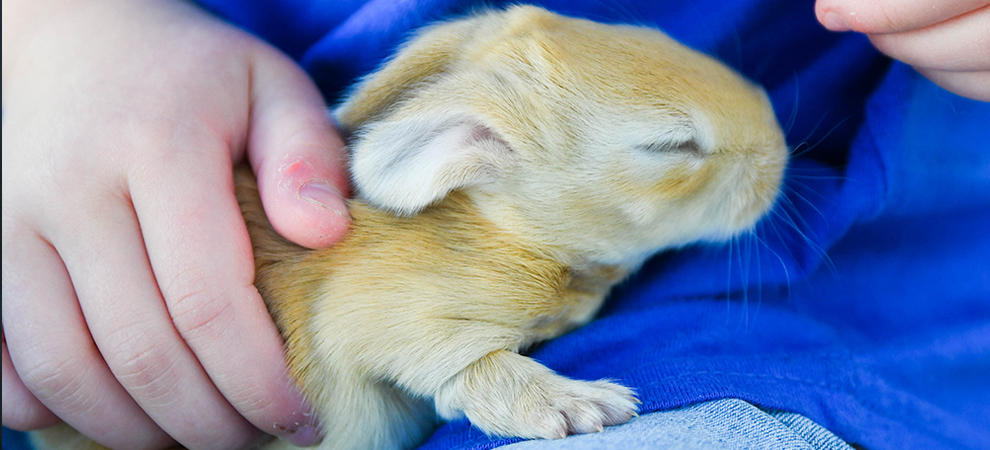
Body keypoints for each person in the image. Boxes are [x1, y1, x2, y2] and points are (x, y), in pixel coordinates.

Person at [3, 0, 988, 449]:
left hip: (841, 314)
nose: (765, 164)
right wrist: (41, 29)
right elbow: (368, 318)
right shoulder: (471, 245)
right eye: (673, 151)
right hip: (124, 276)